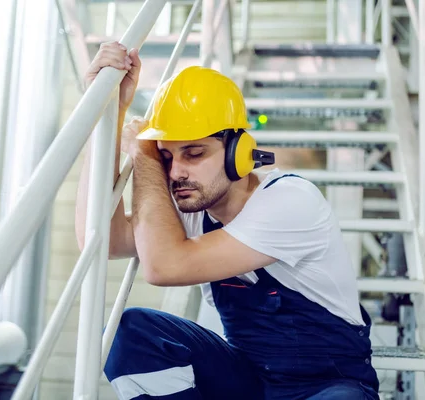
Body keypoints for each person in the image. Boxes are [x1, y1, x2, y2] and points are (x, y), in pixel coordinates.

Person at [75, 41, 380, 400]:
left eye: (194, 152)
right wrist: (110, 112)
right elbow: (102, 239)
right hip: (248, 380)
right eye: (167, 157)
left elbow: (163, 267)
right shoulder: (193, 210)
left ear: (239, 153)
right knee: (131, 333)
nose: (176, 172)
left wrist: (144, 153)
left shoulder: (290, 201)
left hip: (329, 385)